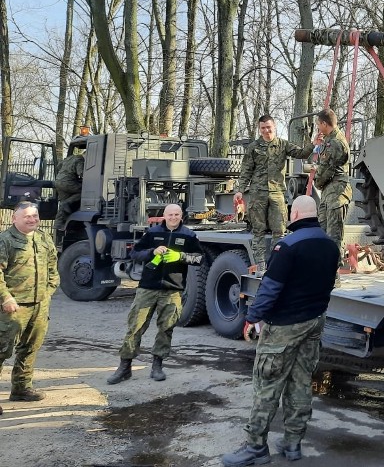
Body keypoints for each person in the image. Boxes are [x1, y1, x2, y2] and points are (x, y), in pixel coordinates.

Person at [221, 195, 339, 466]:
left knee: (267, 386)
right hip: (313, 322)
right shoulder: (331, 246)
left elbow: (270, 288)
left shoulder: (286, 246)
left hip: (284, 327)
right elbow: (328, 285)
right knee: (300, 384)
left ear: (295, 214)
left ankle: (255, 448)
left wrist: (252, 317)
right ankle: (293, 443)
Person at [106, 203, 203, 384]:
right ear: (164, 215)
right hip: (147, 288)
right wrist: (152, 252)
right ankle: (124, 367)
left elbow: (199, 258)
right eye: (170, 214)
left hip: (172, 289)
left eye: (177, 214)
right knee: (135, 327)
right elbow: (135, 253)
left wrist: (180, 257)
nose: (173, 218)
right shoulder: (152, 233)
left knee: (166, 329)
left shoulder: (189, 235)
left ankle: (157, 366)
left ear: (181, 216)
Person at [0, 201, 59, 415]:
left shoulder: (43, 238)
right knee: (1, 350)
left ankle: (21, 389)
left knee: (30, 348)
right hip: (12, 307)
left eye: (34, 216)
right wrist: (5, 298)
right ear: (14, 219)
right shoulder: (5, 240)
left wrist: (50, 290)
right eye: (27, 217)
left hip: (40, 304)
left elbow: (53, 265)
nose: (32, 220)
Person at [234, 115, 310, 274]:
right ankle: (260, 266)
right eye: (263, 128)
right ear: (259, 129)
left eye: (268, 127)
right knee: (258, 231)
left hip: (276, 192)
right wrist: (240, 190)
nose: (266, 130)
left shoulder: (282, 145)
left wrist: (314, 143)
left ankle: (277, 264)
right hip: (258, 193)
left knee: (279, 231)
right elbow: (246, 170)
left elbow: (301, 153)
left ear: (274, 127)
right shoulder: (254, 147)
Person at [304, 108, 352, 266]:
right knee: (323, 232)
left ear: (324, 123)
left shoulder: (335, 143)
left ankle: (333, 274)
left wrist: (317, 181)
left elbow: (326, 171)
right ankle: (323, 270)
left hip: (337, 193)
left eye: (318, 124)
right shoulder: (329, 140)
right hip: (329, 193)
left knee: (333, 236)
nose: (318, 127)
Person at [54, 150, 85, 235]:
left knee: (63, 202)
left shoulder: (69, 158)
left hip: (58, 181)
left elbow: (58, 166)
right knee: (84, 192)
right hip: (68, 182)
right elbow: (82, 173)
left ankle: (59, 225)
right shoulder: (80, 159)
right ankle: (67, 204)